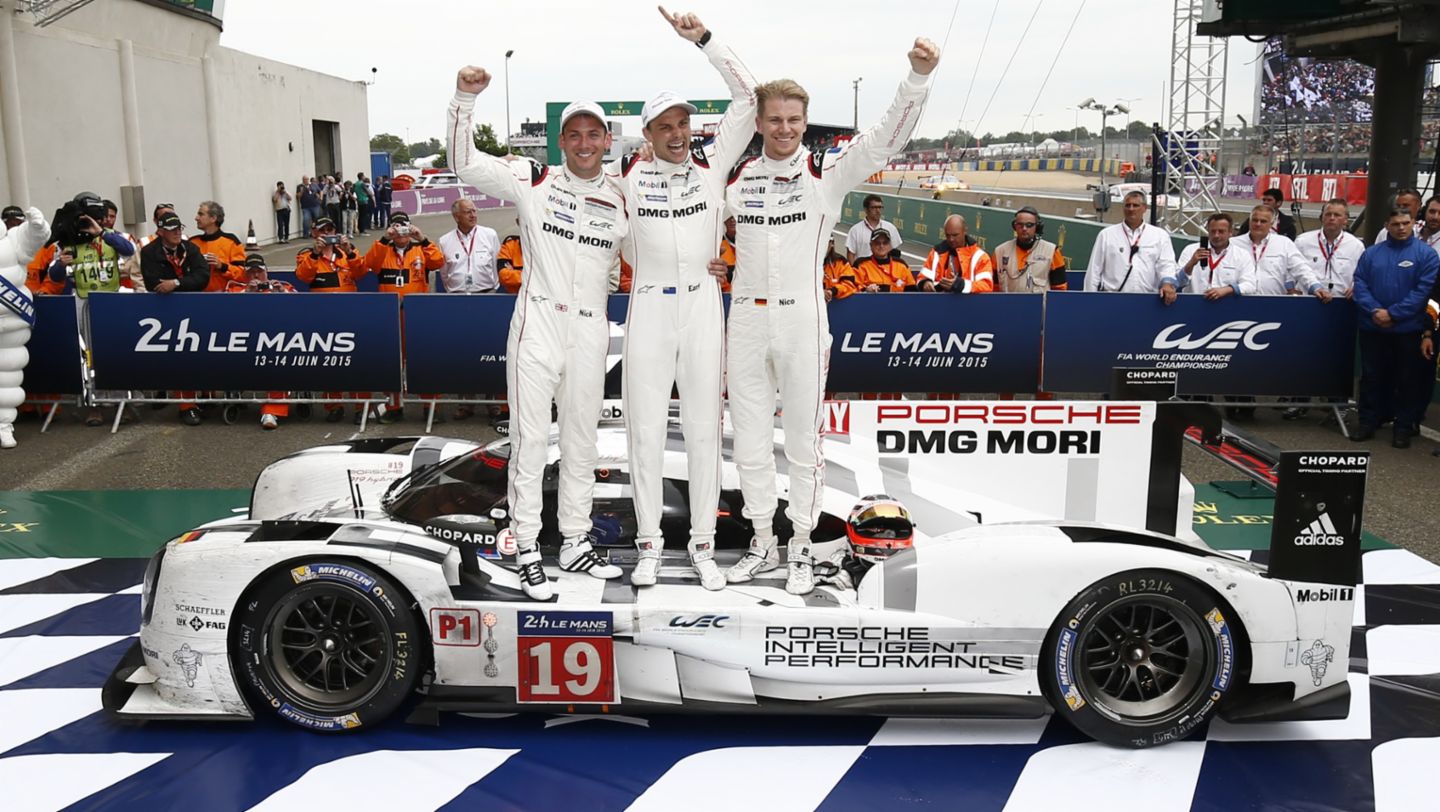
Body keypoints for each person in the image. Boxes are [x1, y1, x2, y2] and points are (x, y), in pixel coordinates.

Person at [720, 37, 939, 595]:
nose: (785, 129)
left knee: (802, 444)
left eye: (794, 120)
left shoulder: (827, 172)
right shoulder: (735, 178)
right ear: (760, 123)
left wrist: (915, 77)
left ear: (805, 122)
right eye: (774, 120)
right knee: (747, 442)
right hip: (744, 318)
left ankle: (800, 548)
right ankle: (761, 543)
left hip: (802, 319)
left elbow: (886, 138)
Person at [451, 62, 630, 599]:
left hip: (592, 328)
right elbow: (463, 161)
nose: (583, 142)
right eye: (573, 134)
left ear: (606, 140)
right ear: (560, 141)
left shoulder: (622, 195)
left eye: (592, 134)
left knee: (582, 441)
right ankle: (525, 543)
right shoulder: (532, 179)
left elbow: (665, 247)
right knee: (531, 439)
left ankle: (574, 540)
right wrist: (465, 98)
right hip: (538, 323)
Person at [611, 9, 757, 591]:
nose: (677, 133)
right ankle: (649, 544)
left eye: (684, 123)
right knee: (643, 430)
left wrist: (705, 41)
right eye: (665, 126)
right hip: (646, 305)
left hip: (702, 305)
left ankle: (701, 545)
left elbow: (749, 95)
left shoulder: (713, 166)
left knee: (702, 428)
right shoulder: (626, 181)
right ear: (647, 134)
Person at [1351, 208, 1439, 448]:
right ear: (1387, 225)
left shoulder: (1427, 255)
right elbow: (1359, 284)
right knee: (1371, 377)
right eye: (1396, 224)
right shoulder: (1371, 254)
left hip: (1407, 329)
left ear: (1413, 224)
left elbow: (1423, 292)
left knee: (1407, 380)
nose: (1401, 228)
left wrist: (1394, 314)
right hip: (1373, 326)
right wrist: (1375, 311)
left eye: (1405, 223)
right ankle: (1367, 422)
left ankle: (1403, 427)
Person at [227, 253, 296, 430]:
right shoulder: (236, 288)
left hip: (276, 340)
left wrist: (282, 292)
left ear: (266, 272)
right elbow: (225, 309)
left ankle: (271, 410)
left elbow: (301, 306)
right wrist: (247, 292)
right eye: (251, 273)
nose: (256, 276)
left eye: (259, 272)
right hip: (243, 341)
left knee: (277, 360)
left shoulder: (282, 286)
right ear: (245, 274)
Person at [0, 206, 48, 449]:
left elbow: (32, 239)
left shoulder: (10, 239)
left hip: (11, 321)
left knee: (7, 376)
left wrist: (37, 226)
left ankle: (4, 426)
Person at [1083, 191, 1175, 293]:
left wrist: (1167, 284)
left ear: (1144, 208)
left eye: (1135, 205)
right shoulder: (1106, 235)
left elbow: (1167, 265)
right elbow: (1094, 271)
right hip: (1112, 300)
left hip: (1148, 300)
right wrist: (1089, 300)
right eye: (1127, 205)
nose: (1131, 209)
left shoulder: (1159, 236)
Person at [1231, 205, 1328, 298]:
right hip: (1240, 300)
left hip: (1273, 302)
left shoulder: (1284, 243)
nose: (1258, 224)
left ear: (1271, 223)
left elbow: (1301, 268)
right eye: (1255, 220)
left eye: (1263, 221)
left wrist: (1315, 287)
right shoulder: (1233, 244)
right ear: (1249, 221)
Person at [1162, 212, 1256, 303]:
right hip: (1194, 305)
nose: (1216, 235)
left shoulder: (1241, 255)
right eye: (1213, 231)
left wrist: (1227, 289)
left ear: (1230, 232)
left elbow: (1250, 285)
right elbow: (1177, 282)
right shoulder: (1191, 250)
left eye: (1221, 231)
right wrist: (1191, 264)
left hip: (1227, 305)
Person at [992, 207, 1067, 292]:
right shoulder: (1000, 252)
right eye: (1020, 225)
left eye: (1029, 225)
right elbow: (994, 287)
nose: (1024, 229)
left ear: (1037, 227)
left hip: (1038, 305)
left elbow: (1060, 289)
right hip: (1007, 304)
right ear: (1014, 227)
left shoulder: (1052, 251)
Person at [438, 197, 501, 293]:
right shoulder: (444, 241)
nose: (473, 215)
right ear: (456, 217)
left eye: (474, 211)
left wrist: (494, 288)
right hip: (457, 296)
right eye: (468, 212)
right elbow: (444, 274)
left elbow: (496, 265)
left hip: (486, 294)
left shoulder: (490, 235)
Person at [921, 214, 992, 293]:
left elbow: (986, 286)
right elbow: (922, 277)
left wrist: (962, 285)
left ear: (965, 231)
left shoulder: (980, 257)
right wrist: (925, 283)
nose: (951, 239)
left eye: (955, 235)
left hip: (969, 304)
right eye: (948, 235)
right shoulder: (936, 253)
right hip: (940, 303)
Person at [139, 213, 208, 293]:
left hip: (191, 299)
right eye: (172, 229)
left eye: (179, 228)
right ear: (160, 232)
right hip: (163, 301)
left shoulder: (190, 248)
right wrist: (188, 282)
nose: (177, 232)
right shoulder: (149, 252)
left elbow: (203, 277)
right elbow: (154, 285)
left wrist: (176, 283)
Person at [190, 201, 246, 292]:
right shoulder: (193, 242)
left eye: (201, 214)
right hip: (197, 297)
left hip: (224, 298)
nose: (196, 218)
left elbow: (243, 274)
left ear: (213, 218)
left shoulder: (231, 241)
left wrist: (222, 266)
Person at [856, 230, 927, 291]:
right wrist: (866, 290)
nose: (881, 246)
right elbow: (853, 288)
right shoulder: (861, 265)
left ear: (890, 245)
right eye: (877, 243)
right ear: (871, 245)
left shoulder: (901, 265)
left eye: (885, 243)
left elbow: (912, 292)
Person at [845, 194, 903, 264]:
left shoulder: (890, 228)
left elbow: (895, 253)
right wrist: (855, 272)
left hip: (885, 272)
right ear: (866, 209)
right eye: (874, 207)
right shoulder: (855, 230)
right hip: (863, 272)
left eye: (880, 207)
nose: (878, 211)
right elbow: (851, 254)